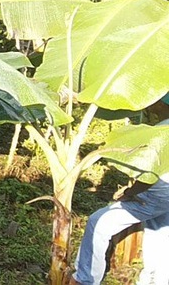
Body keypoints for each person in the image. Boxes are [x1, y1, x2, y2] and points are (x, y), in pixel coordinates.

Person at [71, 119, 169, 285]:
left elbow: (149, 175)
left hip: (160, 195)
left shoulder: (163, 129)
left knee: (99, 223)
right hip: (163, 195)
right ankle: (155, 280)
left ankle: (85, 279)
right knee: (159, 232)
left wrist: (129, 193)